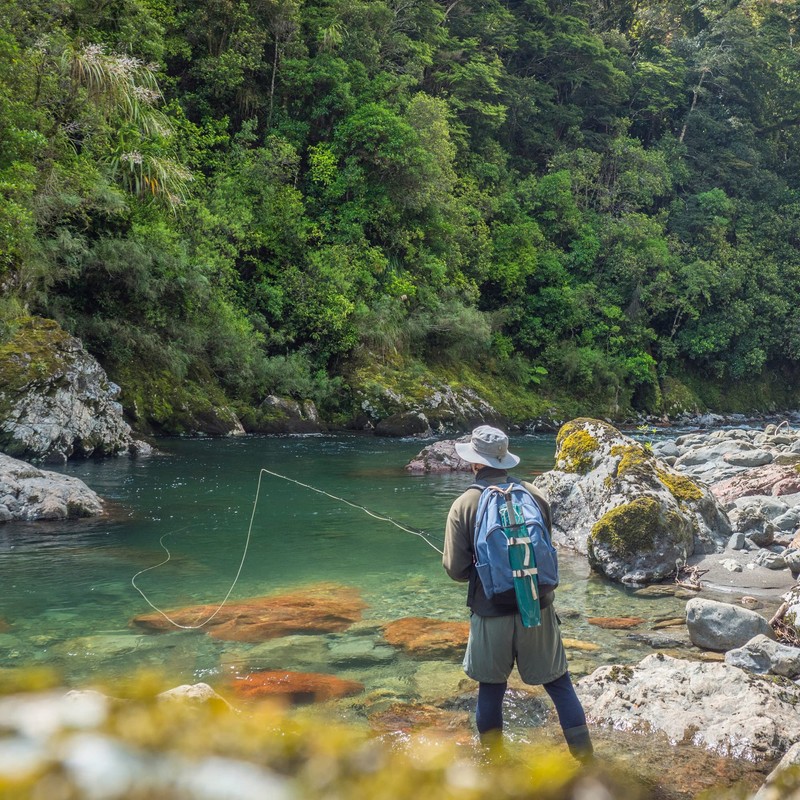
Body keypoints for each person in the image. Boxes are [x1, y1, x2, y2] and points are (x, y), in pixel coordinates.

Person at [442, 425, 593, 762]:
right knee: (559, 685)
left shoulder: (464, 504)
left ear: (475, 463)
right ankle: (588, 766)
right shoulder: (535, 495)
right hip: (537, 610)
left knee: (491, 690)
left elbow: (455, 570)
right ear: (504, 458)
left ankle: (497, 770)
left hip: (490, 612)